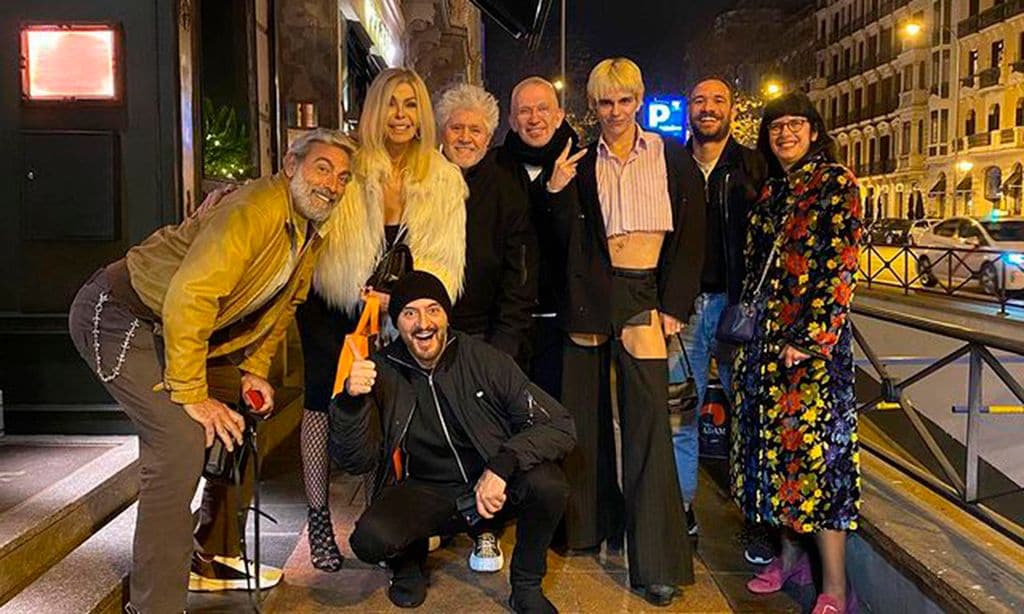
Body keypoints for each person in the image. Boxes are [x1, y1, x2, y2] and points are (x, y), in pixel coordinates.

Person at [66, 129, 356, 613]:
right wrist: (193, 394)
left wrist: (251, 373)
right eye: (322, 168)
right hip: (119, 316)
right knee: (178, 441)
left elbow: (283, 308)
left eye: (343, 177)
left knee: (241, 407)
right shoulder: (254, 210)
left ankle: (214, 555)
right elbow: (191, 296)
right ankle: (154, 605)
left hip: (175, 331)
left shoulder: (307, 230)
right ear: (291, 165)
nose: (332, 183)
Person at [296, 68, 467, 572]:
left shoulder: (443, 178)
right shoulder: (348, 164)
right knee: (321, 406)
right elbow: (307, 211)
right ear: (374, 110)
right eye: (391, 104)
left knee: (383, 410)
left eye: (411, 105)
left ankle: (376, 514)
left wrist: (402, 301)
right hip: (334, 305)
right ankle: (318, 519)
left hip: (396, 317)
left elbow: (442, 264)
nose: (400, 115)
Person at [328, 271, 575, 614]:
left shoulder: (485, 360)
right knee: (369, 541)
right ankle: (408, 558)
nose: (423, 323)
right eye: (410, 313)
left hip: (492, 481)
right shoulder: (381, 370)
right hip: (429, 489)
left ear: (446, 315)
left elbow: (560, 425)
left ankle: (526, 586)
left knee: (548, 485)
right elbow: (355, 461)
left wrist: (502, 465)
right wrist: (351, 402)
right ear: (396, 322)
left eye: (433, 310)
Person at [555, 57, 706, 606]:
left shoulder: (670, 157)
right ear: (592, 106)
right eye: (603, 102)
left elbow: (691, 236)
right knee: (584, 417)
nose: (614, 111)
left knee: (649, 428)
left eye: (623, 100)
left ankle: (658, 562)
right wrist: (556, 190)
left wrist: (674, 305)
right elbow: (562, 236)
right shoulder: (578, 159)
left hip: (645, 294)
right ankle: (587, 527)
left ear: (638, 99)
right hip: (591, 296)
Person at [731, 91, 862, 614]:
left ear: (813, 130)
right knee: (775, 462)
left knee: (820, 464)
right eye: (776, 126)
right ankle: (788, 562)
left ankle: (834, 587)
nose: (785, 133)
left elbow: (841, 267)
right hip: (765, 347)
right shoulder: (773, 192)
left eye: (794, 124)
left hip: (813, 357)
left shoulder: (835, 184)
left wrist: (809, 341)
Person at [435, 82, 538, 573]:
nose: (467, 136)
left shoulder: (504, 182)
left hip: (484, 329)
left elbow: (520, 268)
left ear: (490, 133)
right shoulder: (426, 177)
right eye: (457, 127)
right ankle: (433, 520)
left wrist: (506, 340)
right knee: (431, 431)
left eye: (476, 129)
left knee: (484, 433)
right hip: (427, 330)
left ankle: (485, 529)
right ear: (443, 130)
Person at [668, 76, 767, 551]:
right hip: (681, 311)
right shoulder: (671, 163)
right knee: (678, 415)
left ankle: (755, 515)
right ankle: (681, 509)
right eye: (699, 99)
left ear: (732, 108)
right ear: (689, 108)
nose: (708, 108)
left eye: (718, 100)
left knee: (747, 414)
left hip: (736, 311)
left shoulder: (752, 165)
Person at [495, 76, 583, 399]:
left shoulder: (583, 167)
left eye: (543, 109)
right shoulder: (496, 166)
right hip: (507, 322)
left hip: (561, 322)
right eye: (524, 111)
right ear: (511, 120)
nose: (534, 119)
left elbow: (579, 243)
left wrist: (557, 195)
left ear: (559, 115)